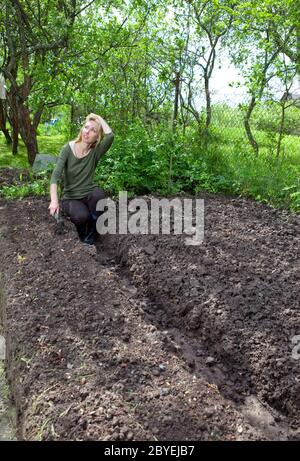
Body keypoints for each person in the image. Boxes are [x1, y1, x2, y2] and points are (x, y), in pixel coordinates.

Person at [48, 113, 114, 245]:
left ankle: (93, 232)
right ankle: (82, 233)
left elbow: (110, 135)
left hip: (88, 193)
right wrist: (54, 201)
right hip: (71, 198)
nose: (87, 132)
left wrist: (98, 117)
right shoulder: (67, 149)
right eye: (86, 127)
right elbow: (55, 177)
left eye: (93, 130)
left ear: (97, 137)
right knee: (82, 217)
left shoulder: (96, 152)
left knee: (99, 195)